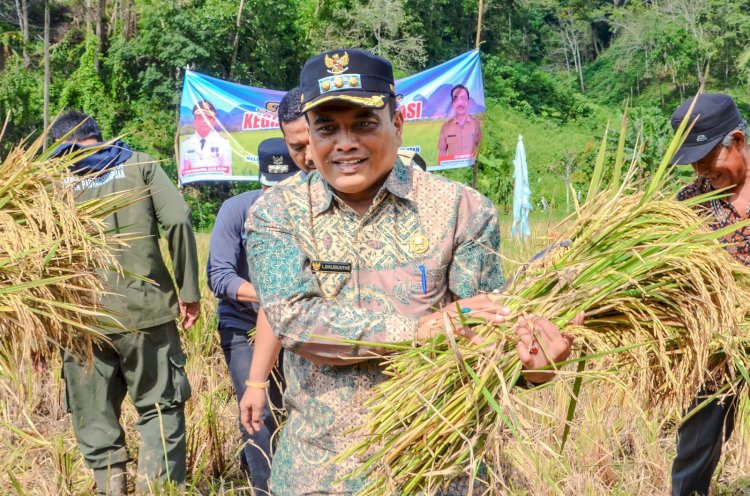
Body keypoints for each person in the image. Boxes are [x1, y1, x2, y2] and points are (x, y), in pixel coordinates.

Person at [243, 48, 574, 495]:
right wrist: (421, 331)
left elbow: (486, 336)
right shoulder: (277, 213)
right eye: (327, 129)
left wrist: (531, 368)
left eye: (363, 123)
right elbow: (296, 321)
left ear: (396, 125)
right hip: (319, 472)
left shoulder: (462, 210)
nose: (344, 143)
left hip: (436, 472)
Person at [50, 110, 201, 495]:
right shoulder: (140, 165)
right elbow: (180, 219)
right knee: (159, 407)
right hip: (146, 311)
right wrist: (188, 291)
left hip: (79, 318)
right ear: (98, 135)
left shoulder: (48, 182)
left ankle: (111, 490)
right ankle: (158, 490)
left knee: (93, 412)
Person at [207, 137, 300, 494]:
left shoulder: (310, 210)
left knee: (296, 408)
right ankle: (265, 488)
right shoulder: (236, 209)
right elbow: (220, 276)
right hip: (244, 322)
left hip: (296, 322)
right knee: (258, 413)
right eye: (269, 189)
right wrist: (272, 295)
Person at [669, 93, 750, 496]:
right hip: (719, 341)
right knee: (697, 440)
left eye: (707, 157)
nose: (701, 170)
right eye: (693, 161)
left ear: (736, 140)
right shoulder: (690, 203)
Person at [180, 100, 233, 178]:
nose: (204, 121)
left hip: (216, 186)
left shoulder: (223, 143)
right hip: (193, 187)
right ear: (194, 122)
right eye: (200, 118)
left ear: (214, 122)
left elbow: (227, 172)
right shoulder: (186, 144)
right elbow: (182, 173)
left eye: (208, 118)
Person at [437, 84, 482, 159]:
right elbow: (442, 151)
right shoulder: (446, 126)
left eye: (463, 98)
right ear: (452, 103)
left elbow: (482, 149)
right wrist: (442, 169)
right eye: (456, 99)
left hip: (472, 169)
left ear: (468, 101)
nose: (460, 103)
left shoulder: (477, 124)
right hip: (453, 170)